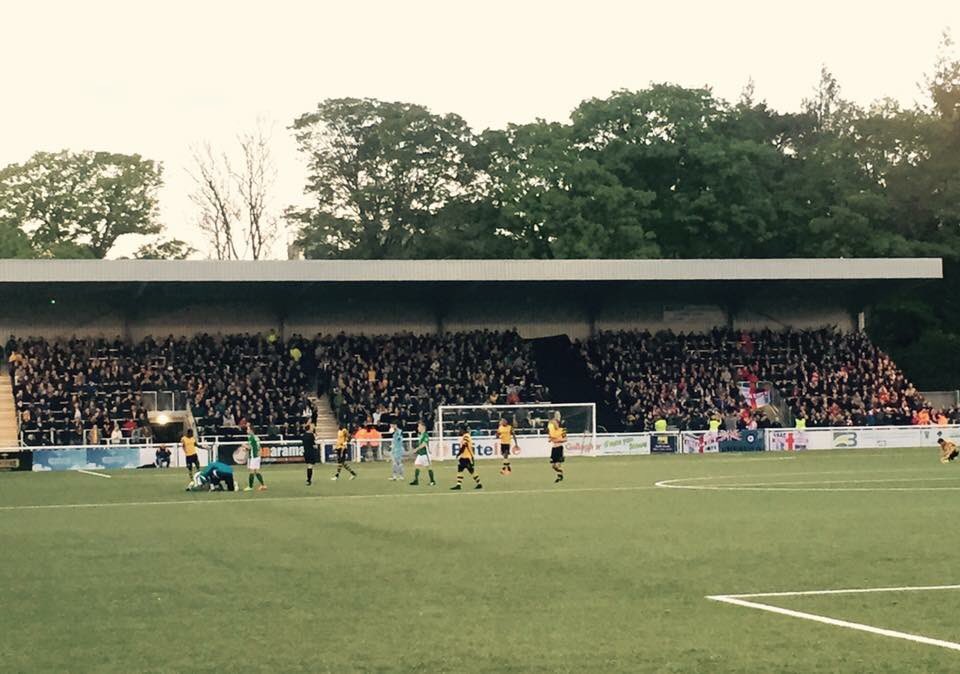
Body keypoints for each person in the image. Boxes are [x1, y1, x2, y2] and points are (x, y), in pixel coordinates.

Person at [450, 425, 482, 491]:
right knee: (461, 470)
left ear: (463, 430)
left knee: (470, 471)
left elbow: (464, 445)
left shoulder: (466, 436)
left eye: (460, 430)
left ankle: (479, 484)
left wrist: (459, 453)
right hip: (464, 457)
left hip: (467, 457)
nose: (459, 431)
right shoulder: (465, 436)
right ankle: (459, 485)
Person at [409, 421, 435, 486]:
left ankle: (432, 481)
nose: (418, 428)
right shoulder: (421, 435)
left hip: (425, 454)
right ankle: (416, 480)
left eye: (419, 426)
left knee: (428, 467)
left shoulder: (425, 435)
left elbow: (424, 444)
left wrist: (416, 449)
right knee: (416, 465)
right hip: (420, 454)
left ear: (423, 427)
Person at [243, 423, 267, 492]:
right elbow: (256, 447)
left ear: (251, 430)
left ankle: (250, 486)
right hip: (257, 456)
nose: (247, 431)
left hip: (254, 456)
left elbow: (250, 447)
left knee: (252, 471)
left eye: (248, 429)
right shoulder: (256, 437)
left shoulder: (251, 437)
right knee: (256, 471)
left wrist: (244, 446)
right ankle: (263, 485)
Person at [547, 411, 566, 483]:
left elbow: (565, 439)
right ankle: (560, 473)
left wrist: (557, 440)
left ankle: (560, 476)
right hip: (554, 448)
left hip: (559, 448)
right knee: (553, 466)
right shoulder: (554, 431)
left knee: (557, 465)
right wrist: (551, 439)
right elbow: (552, 436)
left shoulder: (562, 430)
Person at [302, 422, 319, 486]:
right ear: (309, 429)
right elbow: (314, 445)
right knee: (310, 466)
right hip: (311, 452)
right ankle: (309, 480)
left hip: (306, 452)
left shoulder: (303, 435)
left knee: (308, 466)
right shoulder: (311, 435)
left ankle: (308, 480)